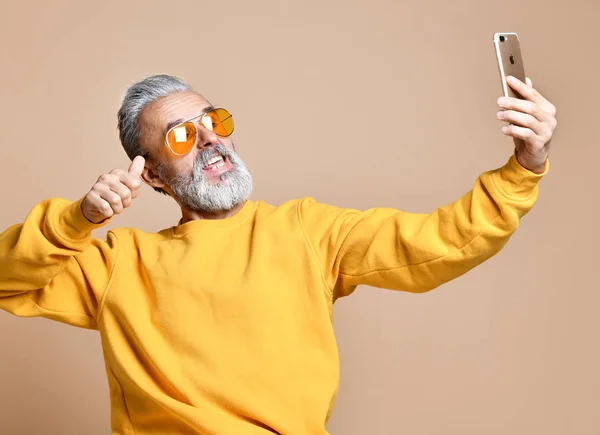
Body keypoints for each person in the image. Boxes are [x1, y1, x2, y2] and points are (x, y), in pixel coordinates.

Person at [0, 74, 557, 434]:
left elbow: (442, 242)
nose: (210, 141)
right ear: (152, 180)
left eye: (213, 123)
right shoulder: (121, 262)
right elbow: (8, 280)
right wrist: (81, 219)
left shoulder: (305, 231)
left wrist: (525, 167)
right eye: (179, 137)